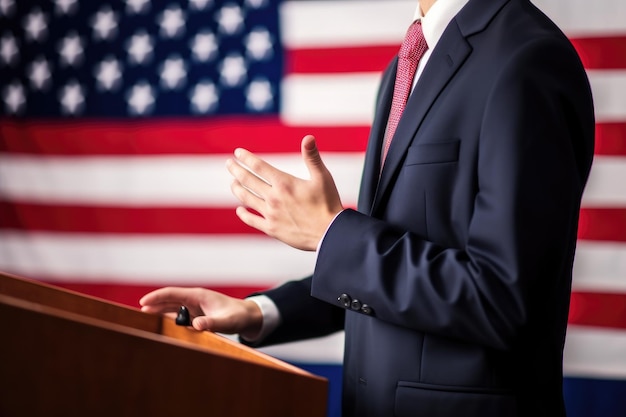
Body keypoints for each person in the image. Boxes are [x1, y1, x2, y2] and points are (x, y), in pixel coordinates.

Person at [140, 0, 595, 415]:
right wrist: (261, 311)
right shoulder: (407, 63)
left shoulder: (527, 59)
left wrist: (329, 234)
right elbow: (391, 262)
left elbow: (503, 297)